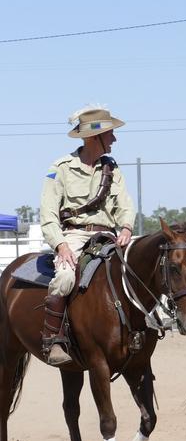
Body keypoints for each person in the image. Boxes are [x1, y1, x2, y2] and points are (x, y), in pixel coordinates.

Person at [40, 105, 136, 366]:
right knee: (65, 276)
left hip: (109, 235)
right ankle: (54, 339)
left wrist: (126, 227)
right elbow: (48, 214)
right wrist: (60, 246)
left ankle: (142, 329)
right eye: (111, 134)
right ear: (96, 137)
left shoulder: (112, 169)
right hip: (74, 236)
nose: (114, 139)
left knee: (136, 270)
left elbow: (124, 205)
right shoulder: (60, 168)